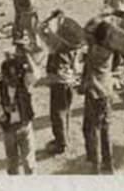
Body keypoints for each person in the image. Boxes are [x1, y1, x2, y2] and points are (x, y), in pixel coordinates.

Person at [39, 12, 83, 155]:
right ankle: (65, 137)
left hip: (58, 81)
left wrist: (51, 17)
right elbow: (77, 68)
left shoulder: (54, 46)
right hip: (70, 81)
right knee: (66, 110)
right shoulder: (75, 49)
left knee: (56, 113)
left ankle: (61, 143)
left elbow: (40, 28)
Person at [0, 40, 38, 175]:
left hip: (25, 127)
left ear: (20, 76)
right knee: (12, 163)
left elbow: (36, 74)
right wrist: (2, 112)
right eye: (8, 79)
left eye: (14, 79)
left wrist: (27, 55)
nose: (11, 82)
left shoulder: (25, 83)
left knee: (29, 163)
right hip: (8, 131)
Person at [81, 21, 115, 174]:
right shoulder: (110, 51)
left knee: (92, 129)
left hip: (94, 94)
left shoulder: (92, 52)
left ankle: (96, 166)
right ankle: (109, 163)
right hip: (107, 93)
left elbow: (85, 30)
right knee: (105, 129)